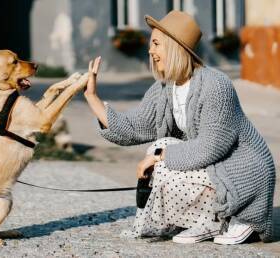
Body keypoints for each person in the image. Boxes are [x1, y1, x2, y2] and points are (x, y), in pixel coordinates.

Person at [84, 10, 275, 244]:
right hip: (214, 167)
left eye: (156, 44)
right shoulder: (165, 88)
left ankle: (239, 217)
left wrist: (158, 157)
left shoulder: (216, 85)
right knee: (160, 146)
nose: (150, 51)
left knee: (161, 154)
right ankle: (207, 221)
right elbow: (133, 128)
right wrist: (92, 97)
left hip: (242, 172)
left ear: (175, 47)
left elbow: (210, 147)